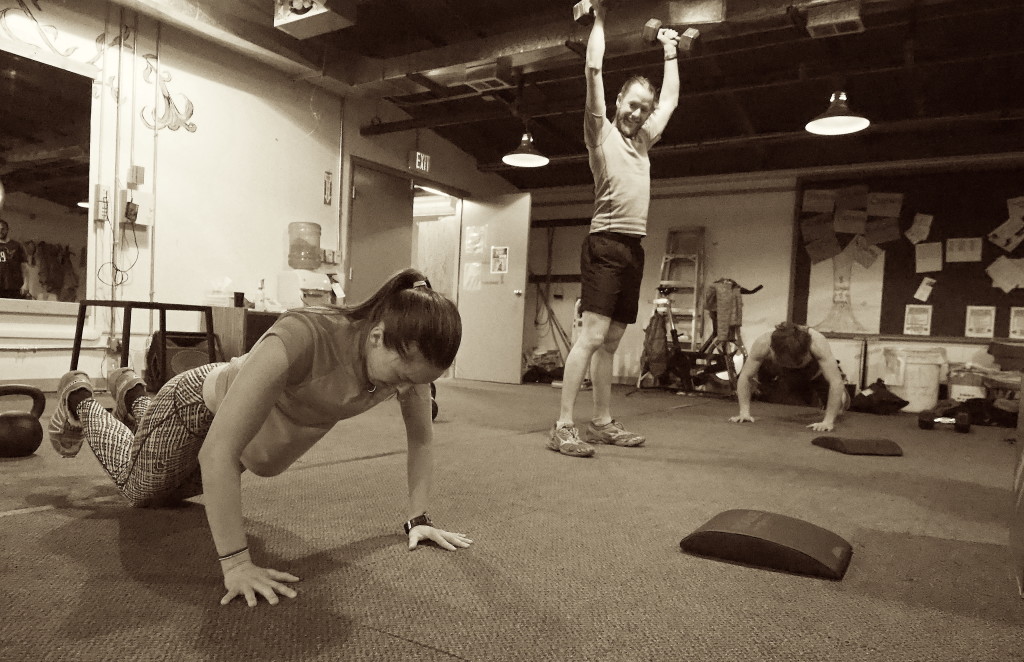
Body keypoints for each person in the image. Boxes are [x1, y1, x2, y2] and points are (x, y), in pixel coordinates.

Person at [47, 268, 472, 607]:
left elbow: (422, 441)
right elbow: (218, 454)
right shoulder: (304, 335)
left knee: (173, 488)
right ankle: (81, 397)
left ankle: (133, 393)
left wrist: (419, 518)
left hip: (229, 431)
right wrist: (237, 565)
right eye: (401, 378)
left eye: (417, 383)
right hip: (193, 409)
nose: (404, 391)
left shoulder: (408, 366)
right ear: (377, 337)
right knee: (142, 490)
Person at [548, 0, 682, 458]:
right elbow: (593, 72)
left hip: (634, 248)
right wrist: (601, 21)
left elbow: (671, 101)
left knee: (611, 341)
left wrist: (670, 51)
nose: (638, 114)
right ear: (618, 103)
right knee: (590, 336)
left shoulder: (645, 141)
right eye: (631, 105)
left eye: (643, 109)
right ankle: (564, 425)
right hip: (604, 243)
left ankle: (602, 421)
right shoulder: (599, 132)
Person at [729, 322, 850, 432]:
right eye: (788, 362)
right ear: (772, 350)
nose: (792, 365)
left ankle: (841, 398)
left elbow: (836, 382)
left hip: (816, 375)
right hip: (784, 375)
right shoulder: (763, 343)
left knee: (838, 411)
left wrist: (828, 421)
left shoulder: (817, 343)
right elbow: (745, 376)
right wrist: (744, 412)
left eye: (796, 363)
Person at [0, 218, 29, 299]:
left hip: (14, 286)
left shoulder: (17, 245)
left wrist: (26, 283)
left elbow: (24, 266)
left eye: (3, 229)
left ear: (7, 230)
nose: (0, 231)